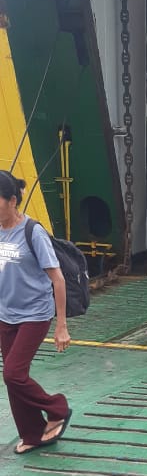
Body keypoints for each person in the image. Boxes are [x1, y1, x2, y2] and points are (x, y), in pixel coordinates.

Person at [0, 170, 71, 454]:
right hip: (5, 314)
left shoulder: (33, 232)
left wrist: (61, 325)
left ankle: (58, 408)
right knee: (13, 377)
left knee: (13, 374)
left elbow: (58, 279)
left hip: (35, 314)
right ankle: (31, 433)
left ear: (13, 201)